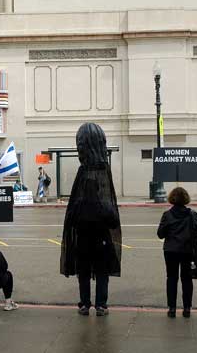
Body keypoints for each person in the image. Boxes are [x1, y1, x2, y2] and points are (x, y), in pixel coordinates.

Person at [61, 123, 121, 317]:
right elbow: (108, 205)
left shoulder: (85, 171)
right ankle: (100, 304)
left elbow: (75, 205)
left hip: (85, 232)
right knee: (100, 270)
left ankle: (86, 304)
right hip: (100, 232)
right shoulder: (102, 170)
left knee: (84, 270)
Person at [157, 187, 197, 318]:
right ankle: (187, 308)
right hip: (187, 250)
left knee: (171, 278)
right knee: (187, 279)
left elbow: (160, 234)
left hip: (171, 250)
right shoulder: (192, 214)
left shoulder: (167, 215)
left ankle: (172, 308)